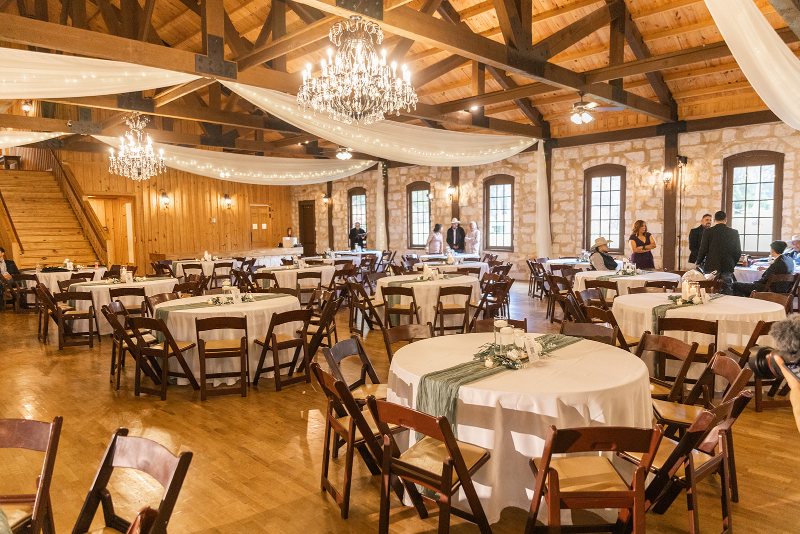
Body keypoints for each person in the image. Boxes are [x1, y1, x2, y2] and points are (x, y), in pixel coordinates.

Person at [696, 210, 741, 294]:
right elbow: (738, 252)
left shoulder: (708, 232)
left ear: (714, 220)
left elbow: (703, 249)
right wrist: (732, 262)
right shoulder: (734, 233)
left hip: (712, 265)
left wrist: (699, 261)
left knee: (710, 288)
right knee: (726, 288)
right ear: (726, 219)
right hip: (727, 265)